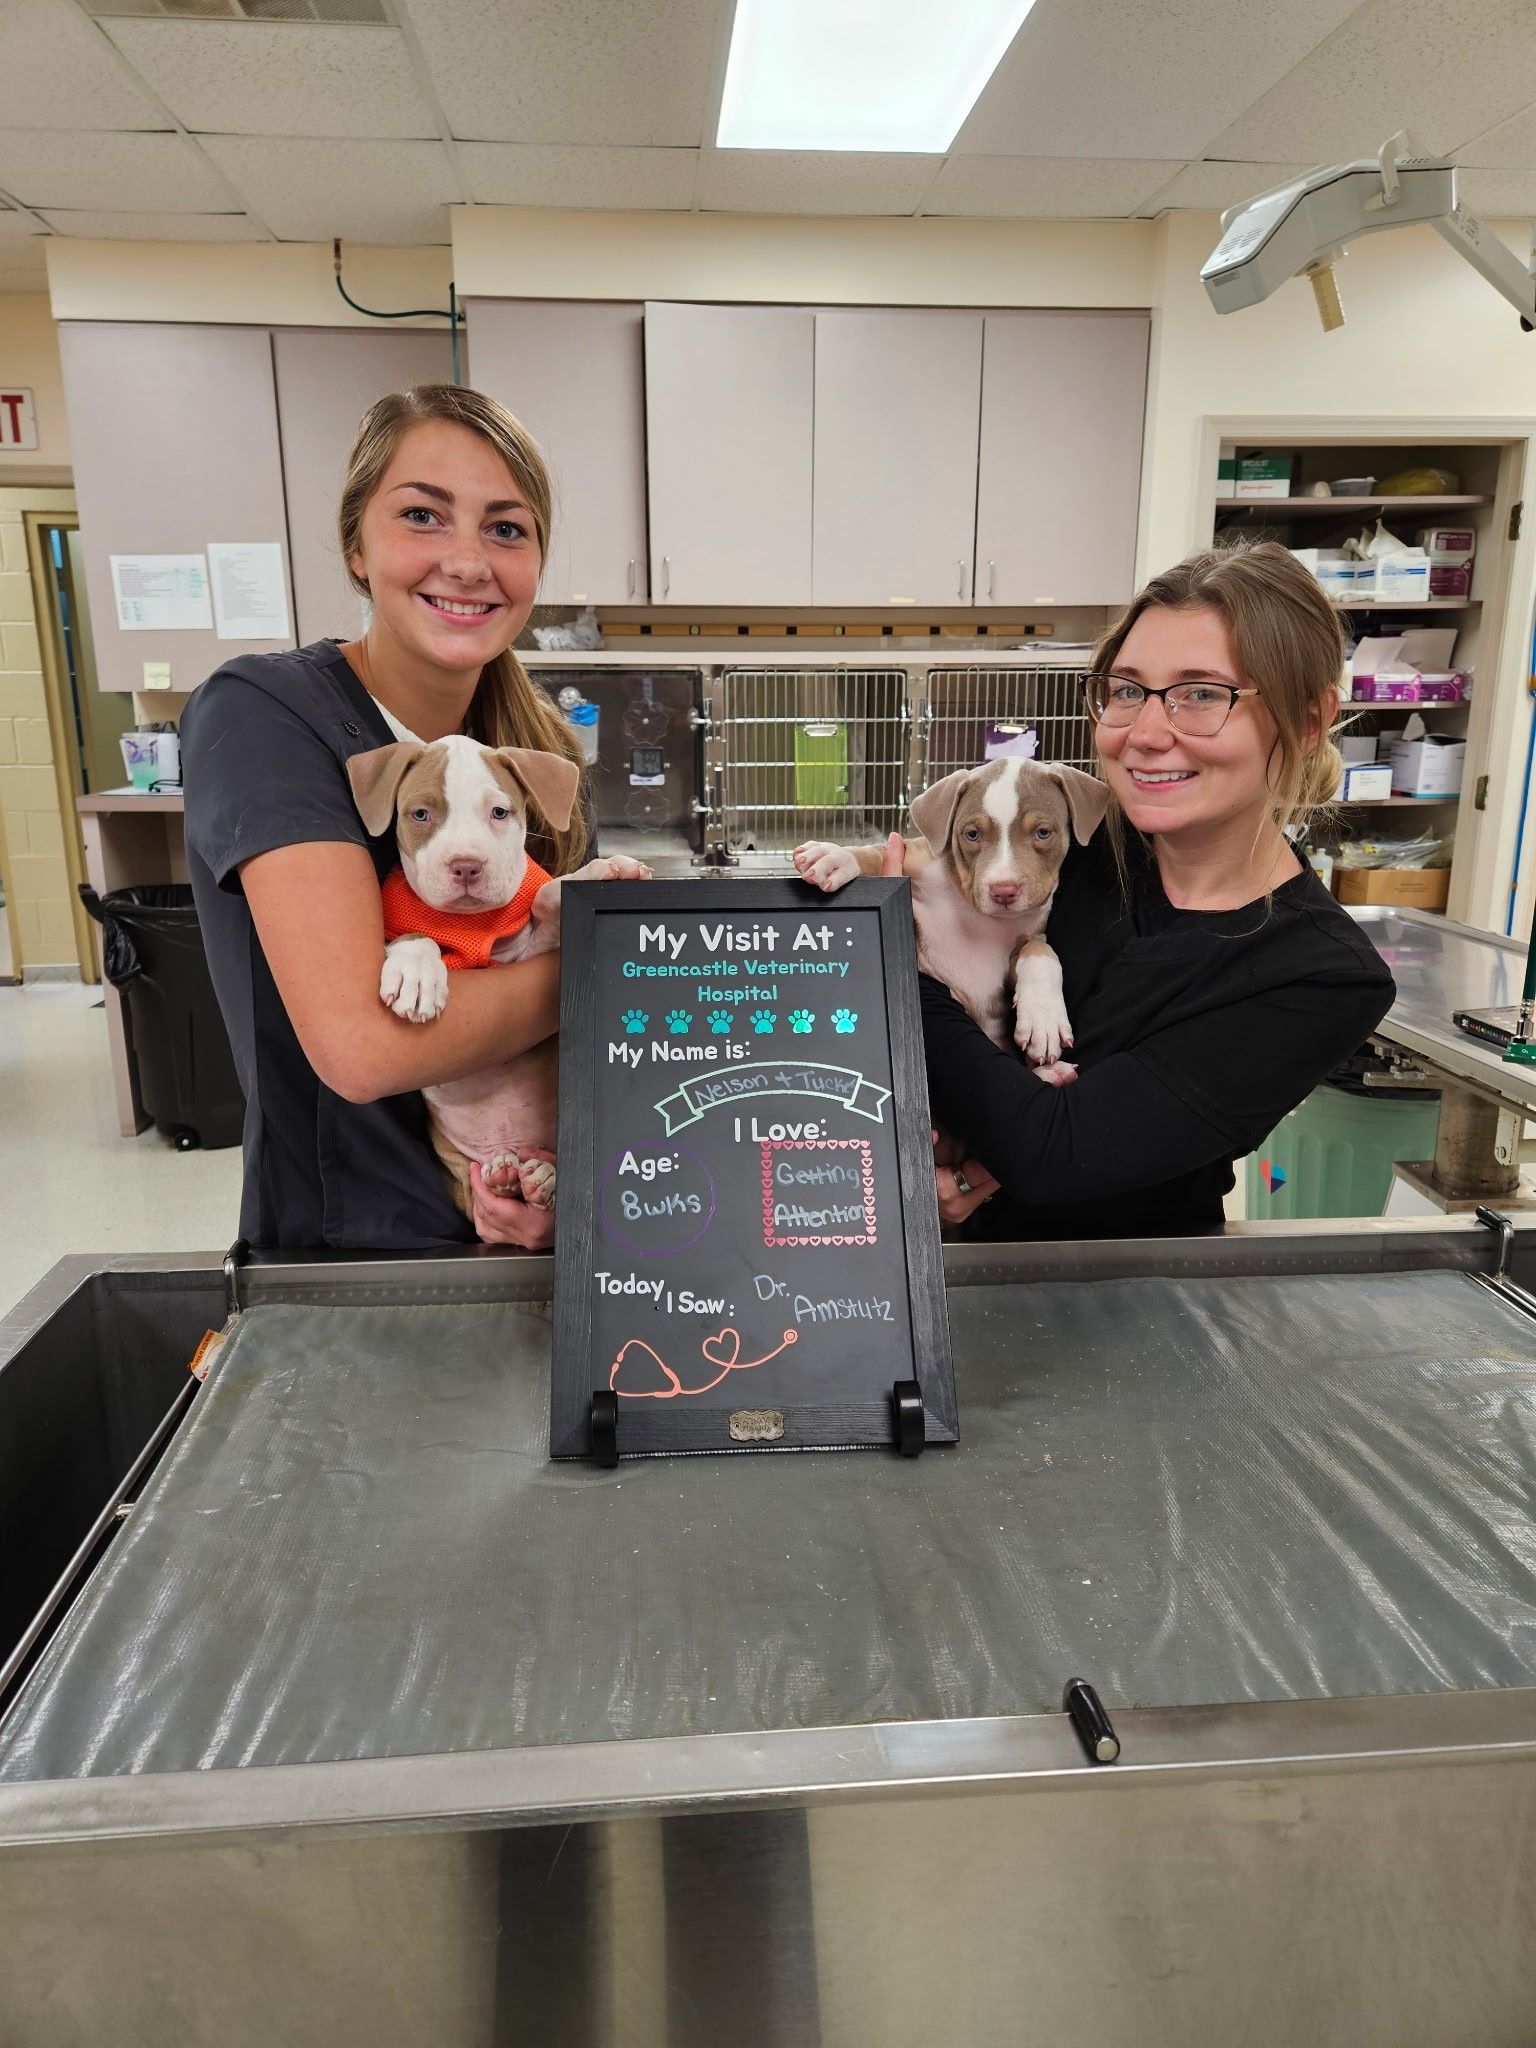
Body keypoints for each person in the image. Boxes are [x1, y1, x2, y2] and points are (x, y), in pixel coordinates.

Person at [183, 384, 639, 1252]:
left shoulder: (531, 749)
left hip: (543, 1228)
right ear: (356, 544)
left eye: (506, 528)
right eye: (424, 516)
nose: (468, 562)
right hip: (356, 1259)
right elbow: (365, 1049)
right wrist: (609, 967)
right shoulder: (265, 715)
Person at [917, 541, 1396, 1240]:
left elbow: (1056, 1155)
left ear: (1307, 720)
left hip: (1134, 1303)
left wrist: (917, 994)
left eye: (1201, 694)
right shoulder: (1066, 843)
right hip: (946, 1270)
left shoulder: (1320, 975)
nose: (1143, 733)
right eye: (1126, 690)